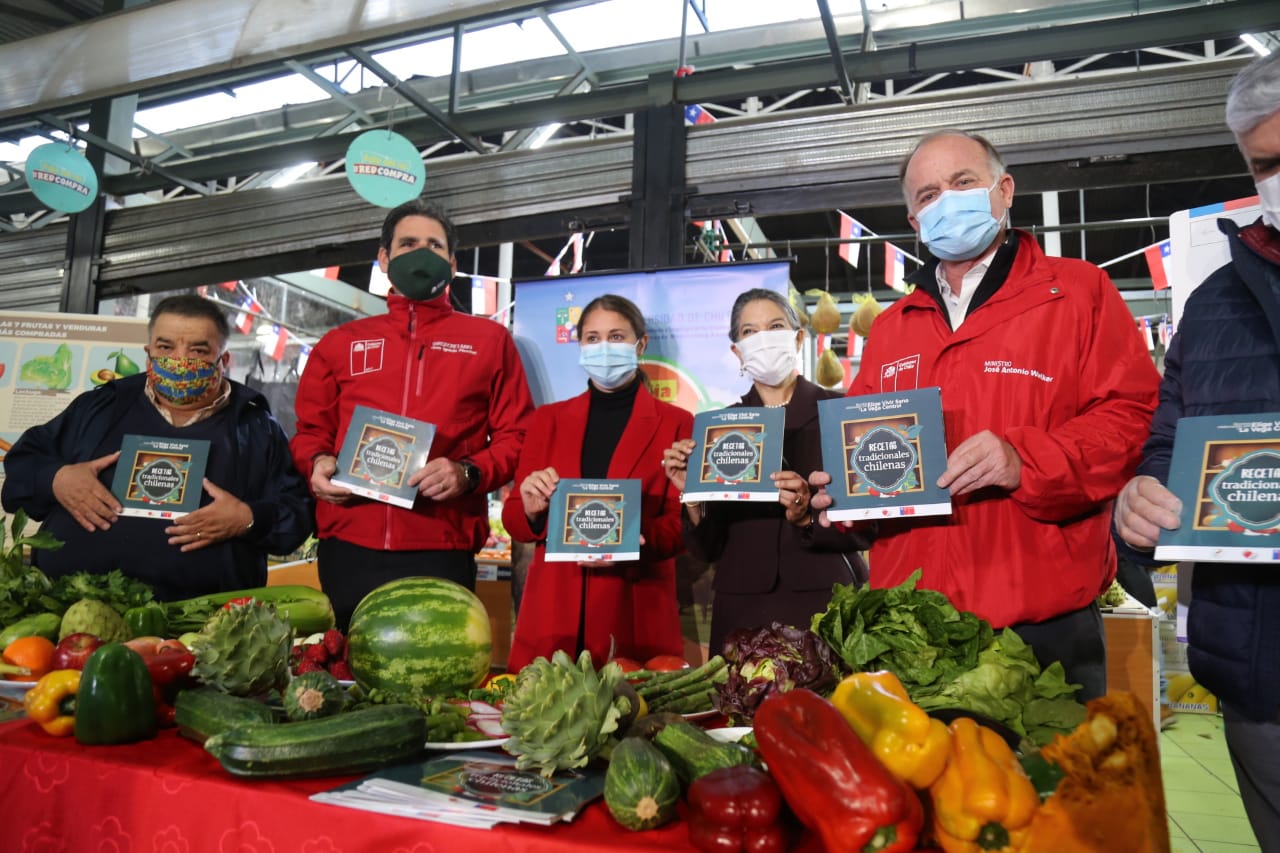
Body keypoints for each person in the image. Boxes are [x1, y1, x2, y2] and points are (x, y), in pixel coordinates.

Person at [811, 129, 1160, 701]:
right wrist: (843, 500)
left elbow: (1132, 418)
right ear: (914, 221)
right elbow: (867, 449)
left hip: (1041, 633)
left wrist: (1024, 459)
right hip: (910, 628)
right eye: (927, 196)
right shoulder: (894, 326)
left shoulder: (1078, 293)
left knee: (1048, 788)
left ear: (1004, 191)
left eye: (962, 182)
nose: (945, 200)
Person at [1113, 52, 1280, 849]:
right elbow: (1170, 434)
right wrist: (1142, 492)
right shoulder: (1213, 304)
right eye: (1268, 164)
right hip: (1255, 666)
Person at [291, 199, 534, 629]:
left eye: (434, 246)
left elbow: (519, 437)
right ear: (384, 258)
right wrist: (316, 463)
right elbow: (311, 432)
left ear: (453, 263)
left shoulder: (489, 341)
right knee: (346, 670)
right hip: (349, 542)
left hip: (441, 543)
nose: (421, 254)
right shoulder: (340, 343)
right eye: (408, 244)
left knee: (437, 676)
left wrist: (468, 473)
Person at [1, 295, 313, 600]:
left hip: (200, 630)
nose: (179, 360)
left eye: (198, 350)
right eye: (166, 347)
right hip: (68, 610)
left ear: (224, 360)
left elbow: (297, 515)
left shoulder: (257, 427)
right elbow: (22, 465)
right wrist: (56, 480)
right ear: (148, 353)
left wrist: (248, 518)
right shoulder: (101, 405)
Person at [662, 288, 869, 655]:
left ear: (798, 337)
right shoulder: (719, 429)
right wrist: (690, 496)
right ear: (736, 351)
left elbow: (867, 528)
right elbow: (706, 549)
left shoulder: (841, 412)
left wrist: (808, 517)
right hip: (741, 607)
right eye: (749, 332)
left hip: (824, 599)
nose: (763, 339)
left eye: (774, 326)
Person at [502, 295, 690, 671]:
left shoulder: (677, 423)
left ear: (640, 344)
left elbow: (681, 526)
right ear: (580, 346)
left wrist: (638, 538)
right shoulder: (547, 420)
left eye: (616, 336)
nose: (604, 347)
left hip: (632, 604)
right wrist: (532, 508)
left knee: (632, 719)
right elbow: (515, 519)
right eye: (592, 338)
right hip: (556, 604)